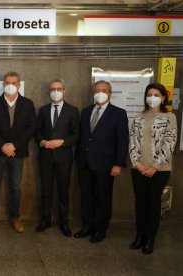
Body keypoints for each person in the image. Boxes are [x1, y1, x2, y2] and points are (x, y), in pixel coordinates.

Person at [75, 80, 129, 243]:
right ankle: (87, 226)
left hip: (106, 164)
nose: (100, 93)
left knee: (103, 198)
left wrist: (118, 163)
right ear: (93, 93)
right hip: (85, 163)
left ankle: (100, 229)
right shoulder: (86, 111)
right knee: (86, 197)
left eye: (104, 90)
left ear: (110, 93)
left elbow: (122, 140)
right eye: (97, 90)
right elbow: (84, 137)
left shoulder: (118, 113)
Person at [0, 71, 36, 233]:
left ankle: (15, 217)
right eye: (7, 82)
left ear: (19, 85)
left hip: (17, 153)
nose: (10, 85)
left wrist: (14, 146)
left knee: (15, 187)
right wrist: (2, 146)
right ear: (3, 85)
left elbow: (31, 128)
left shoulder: (27, 103)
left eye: (14, 83)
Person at [129, 83, 177, 255]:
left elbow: (170, 143)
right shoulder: (139, 116)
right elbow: (132, 141)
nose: (152, 97)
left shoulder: (170, 117)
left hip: (160, 169)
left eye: (156, 94)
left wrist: (155, 166)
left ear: (163, 97)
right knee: (140, 203)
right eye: (149, 94)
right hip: (139, 168)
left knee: (153, 203)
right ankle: (139, 237)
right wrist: (137, 164)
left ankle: (150, 239)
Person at [35, 79, 79, 237]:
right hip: (45, 156)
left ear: (64, 90)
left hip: (64, 157)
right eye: (52, 89)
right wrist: (42, 141)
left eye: (58, 88)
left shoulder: (73, 110)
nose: (55, 91)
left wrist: (63, 141)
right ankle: (45, 220)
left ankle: (63, 222)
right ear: (49, 92)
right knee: (46, 190)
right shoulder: (43, 110)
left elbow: (76, 134)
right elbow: (37, 131)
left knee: (63, 190)